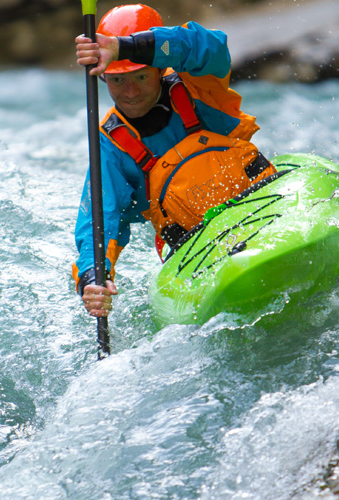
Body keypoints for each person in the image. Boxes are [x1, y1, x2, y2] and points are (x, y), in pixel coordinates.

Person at [73, 4, 275, 317]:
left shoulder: (200, 85)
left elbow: (210, 46)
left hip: (262, 202)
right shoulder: (110, 146)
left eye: (141, 76)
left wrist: (125, 47)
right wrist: (92, 278)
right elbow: (98, 222)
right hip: (192, 246)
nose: (130, 92)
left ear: (159, 67)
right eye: (117, 81)